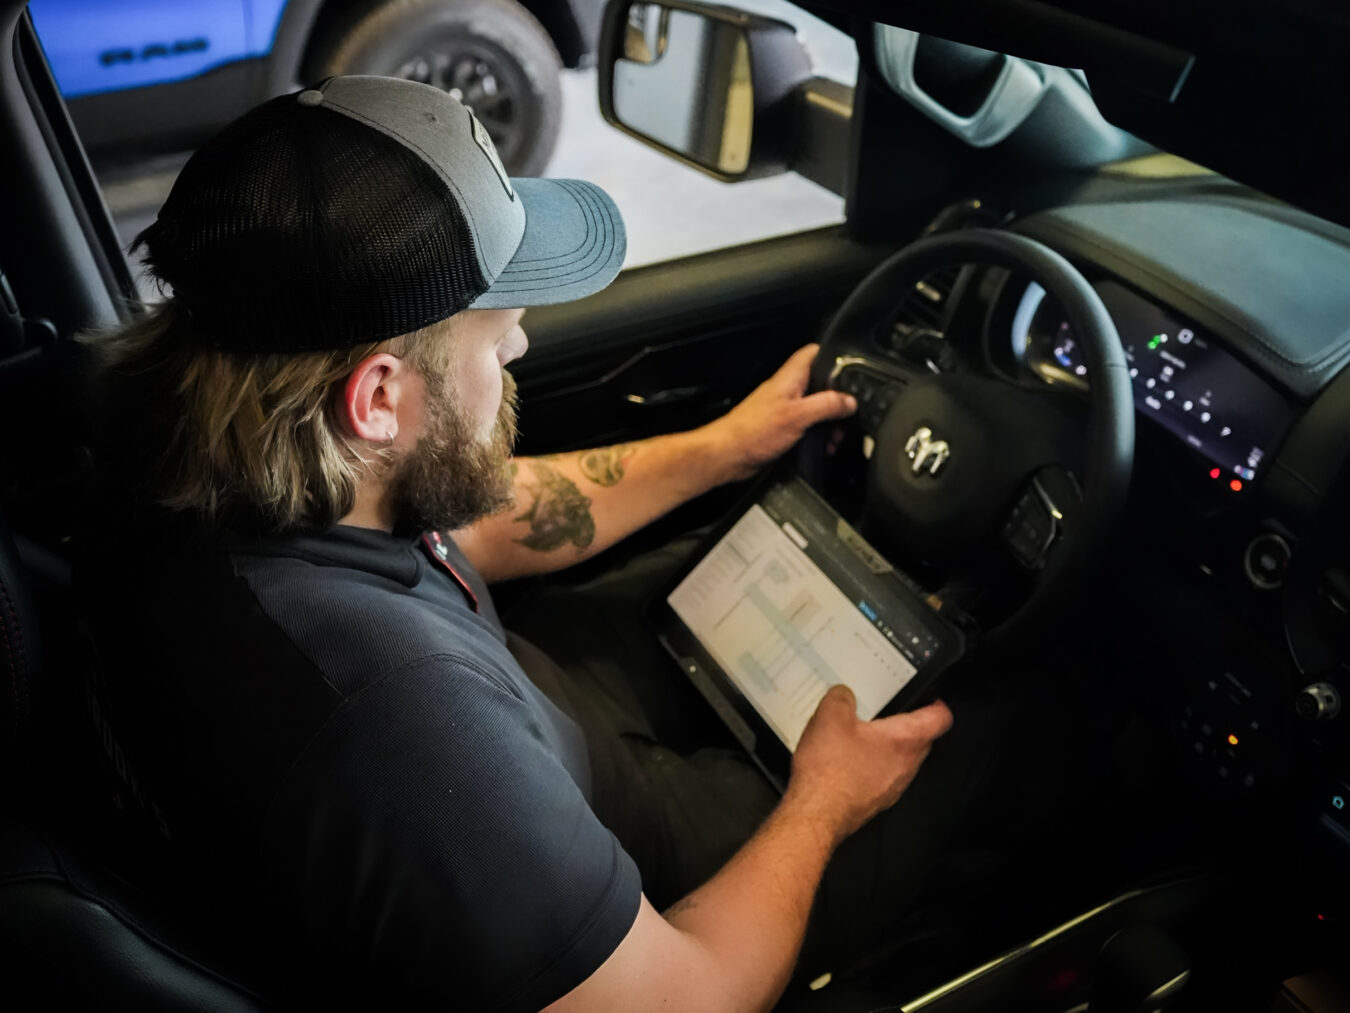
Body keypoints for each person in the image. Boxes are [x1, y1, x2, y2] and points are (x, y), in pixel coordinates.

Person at [81, 75, 960, 1010]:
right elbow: (685, 996)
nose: (520, 350)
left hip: (546, 715)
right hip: (630, 883)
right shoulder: (398, 732)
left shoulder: (194, 457)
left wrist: (721, 449)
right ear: (377, 399)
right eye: (497, 339)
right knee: (988, 729)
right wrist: (824, 799)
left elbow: (473, 520)